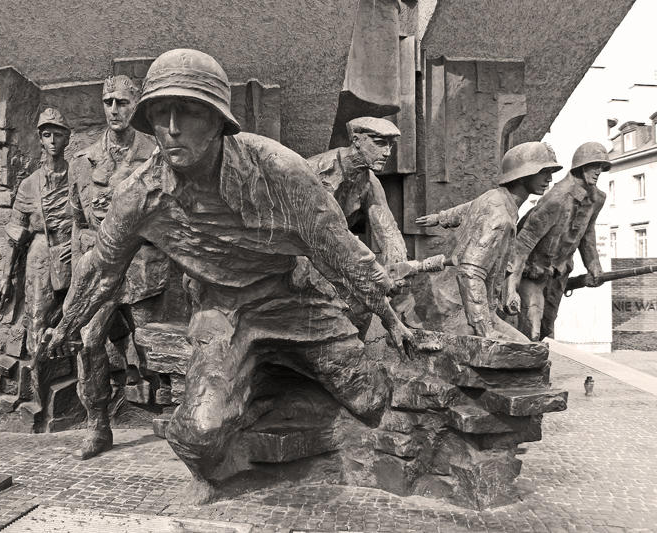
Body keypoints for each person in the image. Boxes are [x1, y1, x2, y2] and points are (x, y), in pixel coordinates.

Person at [45, 48, 412, 492]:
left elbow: (339, 250)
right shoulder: (139, 195)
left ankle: (272, 390)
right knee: (199, 436)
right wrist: (66, 325)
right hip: (221, 313)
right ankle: (246, 399)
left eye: (190, 113)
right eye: (161, 113)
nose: (173, 128)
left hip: (293, 301)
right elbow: (101, 268)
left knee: (372, 397)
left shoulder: (278, 171)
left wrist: (392, 320)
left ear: (219, 120)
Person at [68, 75, 160, 459]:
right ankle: (97, 424)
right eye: (108, 102)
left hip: (143, 266)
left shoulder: (157, 154)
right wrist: (78, 277)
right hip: (100, 269)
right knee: (89, 343)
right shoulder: (82, 162)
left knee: (154, 345)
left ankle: (175, 417)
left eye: (121, 102)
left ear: (135, 105)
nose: (114, 110)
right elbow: (76, 222)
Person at [415, 142, 561, 340]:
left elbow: (468, 208)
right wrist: (485, 330)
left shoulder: (497, 197)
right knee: (527, 354)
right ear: (523, 173)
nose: (549, 179)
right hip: (457, 310)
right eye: (543, 172)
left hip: (468, 305)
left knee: (528, 348)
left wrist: (440, 218)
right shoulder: (500, 218)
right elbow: (469, 273)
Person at [0, 107, 73, 407]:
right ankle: (39, 399)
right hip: (39, 255)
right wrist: (5, 277)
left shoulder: (77, 177)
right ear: (40, 139)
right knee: (37, 321)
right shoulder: (29, 185)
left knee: (76, 318)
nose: (53, 141)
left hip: (73, 251)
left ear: (68, 138)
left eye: (59, 134)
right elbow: (17, 234)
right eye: (47, 134)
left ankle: (74, 392)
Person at [307, 117, 409, 337]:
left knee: (362, 309)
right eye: (380, 143)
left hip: (338, 253)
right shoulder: (320, 171)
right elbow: (325, 234)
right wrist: (375, 272)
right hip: (302, 254)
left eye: (390, 145)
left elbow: (388, 231)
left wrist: (397, 269)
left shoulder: (370, 181)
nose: (387, 152)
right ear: (356, 140)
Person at [504, 142, 610, 341]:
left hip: (558, 274)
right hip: (532, 271)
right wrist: (511, 287)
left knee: (546, 328)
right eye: (593, 165)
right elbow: (522, 244)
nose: (598, 171)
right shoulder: (557, 198)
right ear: (580, 167)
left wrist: (593, 264)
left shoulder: (597, 199)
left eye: (602, 167)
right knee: (531, 327)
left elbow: (587, 233)